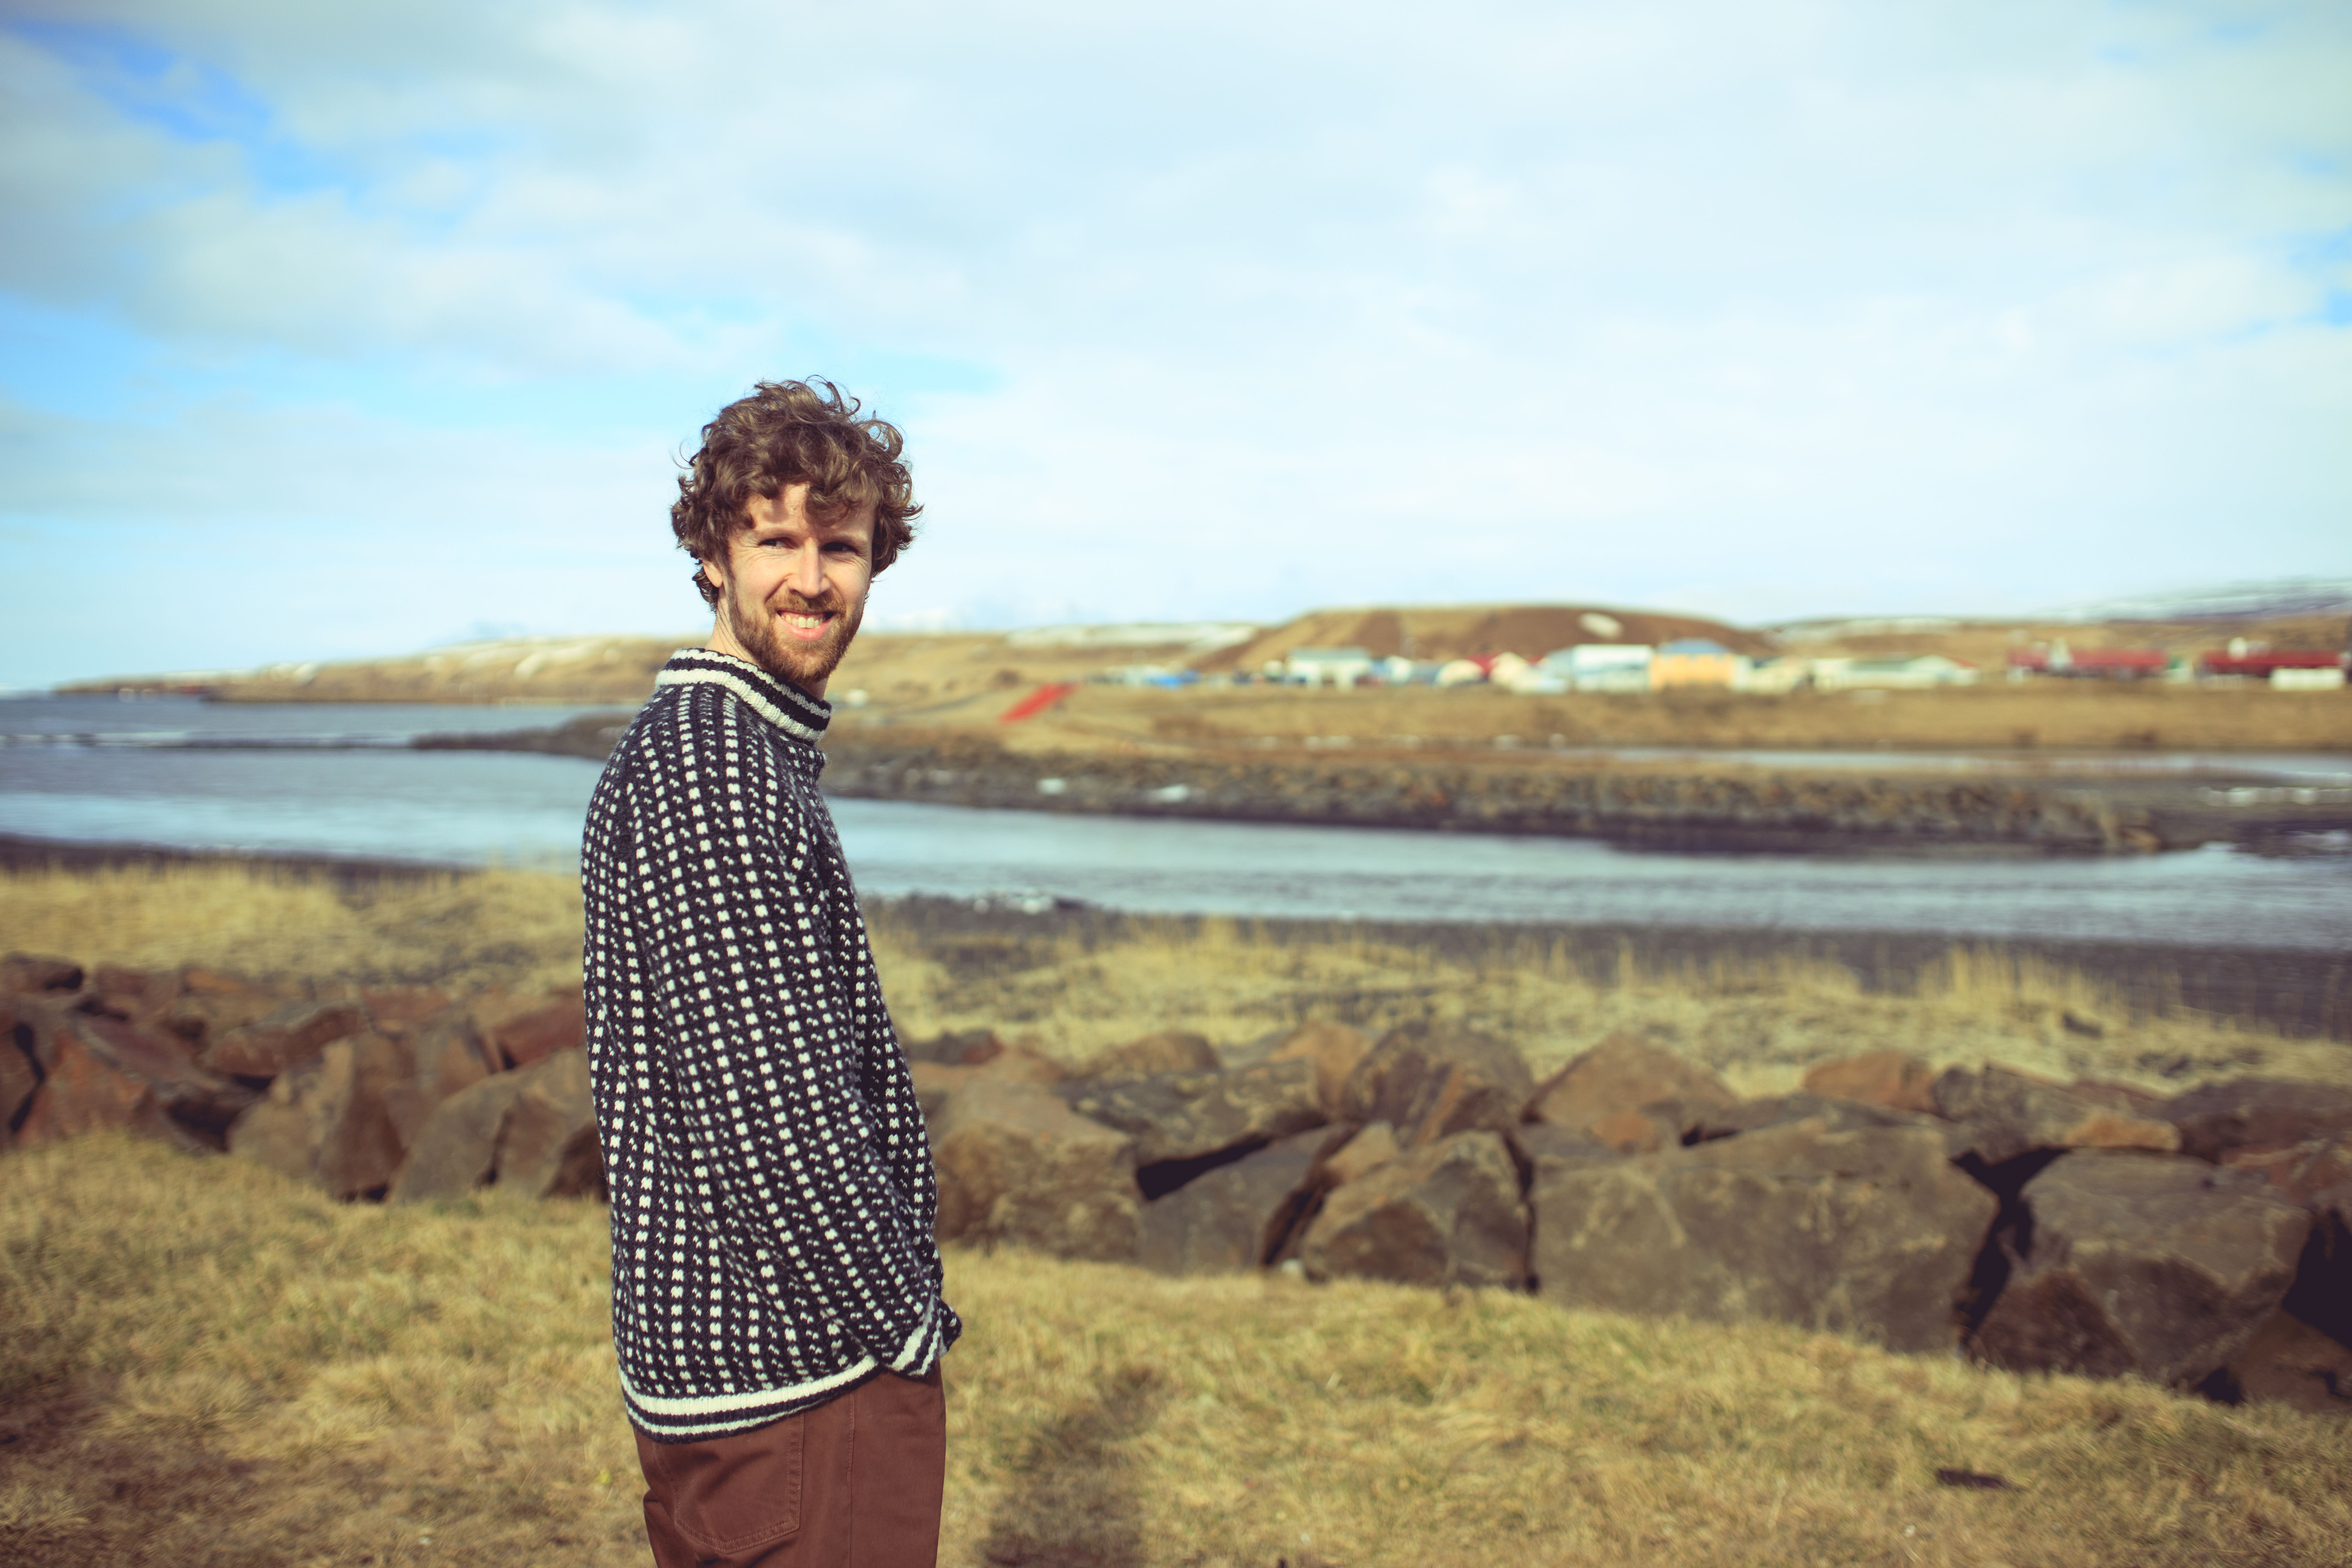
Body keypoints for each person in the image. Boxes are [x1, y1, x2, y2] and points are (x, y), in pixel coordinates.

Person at [581, 379, 959, 1568]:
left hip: (749, 1382)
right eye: (775, 541)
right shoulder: (715, 769)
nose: (812, 579)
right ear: (712, 556)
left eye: (840, 547)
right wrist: (903, 1326)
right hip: (799, 1380)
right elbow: (774, 1118)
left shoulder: (730, 748)